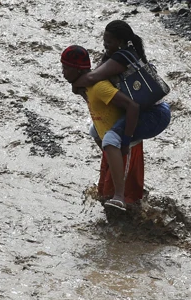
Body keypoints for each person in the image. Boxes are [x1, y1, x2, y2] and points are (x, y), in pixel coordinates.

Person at [62, 29, 170, 211]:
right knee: (95, 132)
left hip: (149, 119)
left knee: (112, 141)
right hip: (133, 119)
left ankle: (120, 195)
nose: (62, 72)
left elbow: (131, 106)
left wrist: (125, 142)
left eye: (65, 68)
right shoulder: (88, 82)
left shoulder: (100, 82)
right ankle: (114, 162)